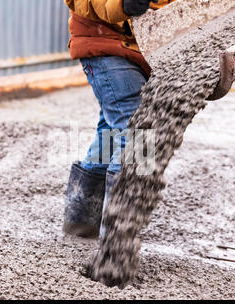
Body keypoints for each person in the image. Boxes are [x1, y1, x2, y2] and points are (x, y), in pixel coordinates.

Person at [62, 0, 174, 238]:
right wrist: (123, 4)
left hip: (145, 49)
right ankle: (117, 245)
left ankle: (83, 219)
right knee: (138, 130)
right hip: (106, 46)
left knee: (111, 133)